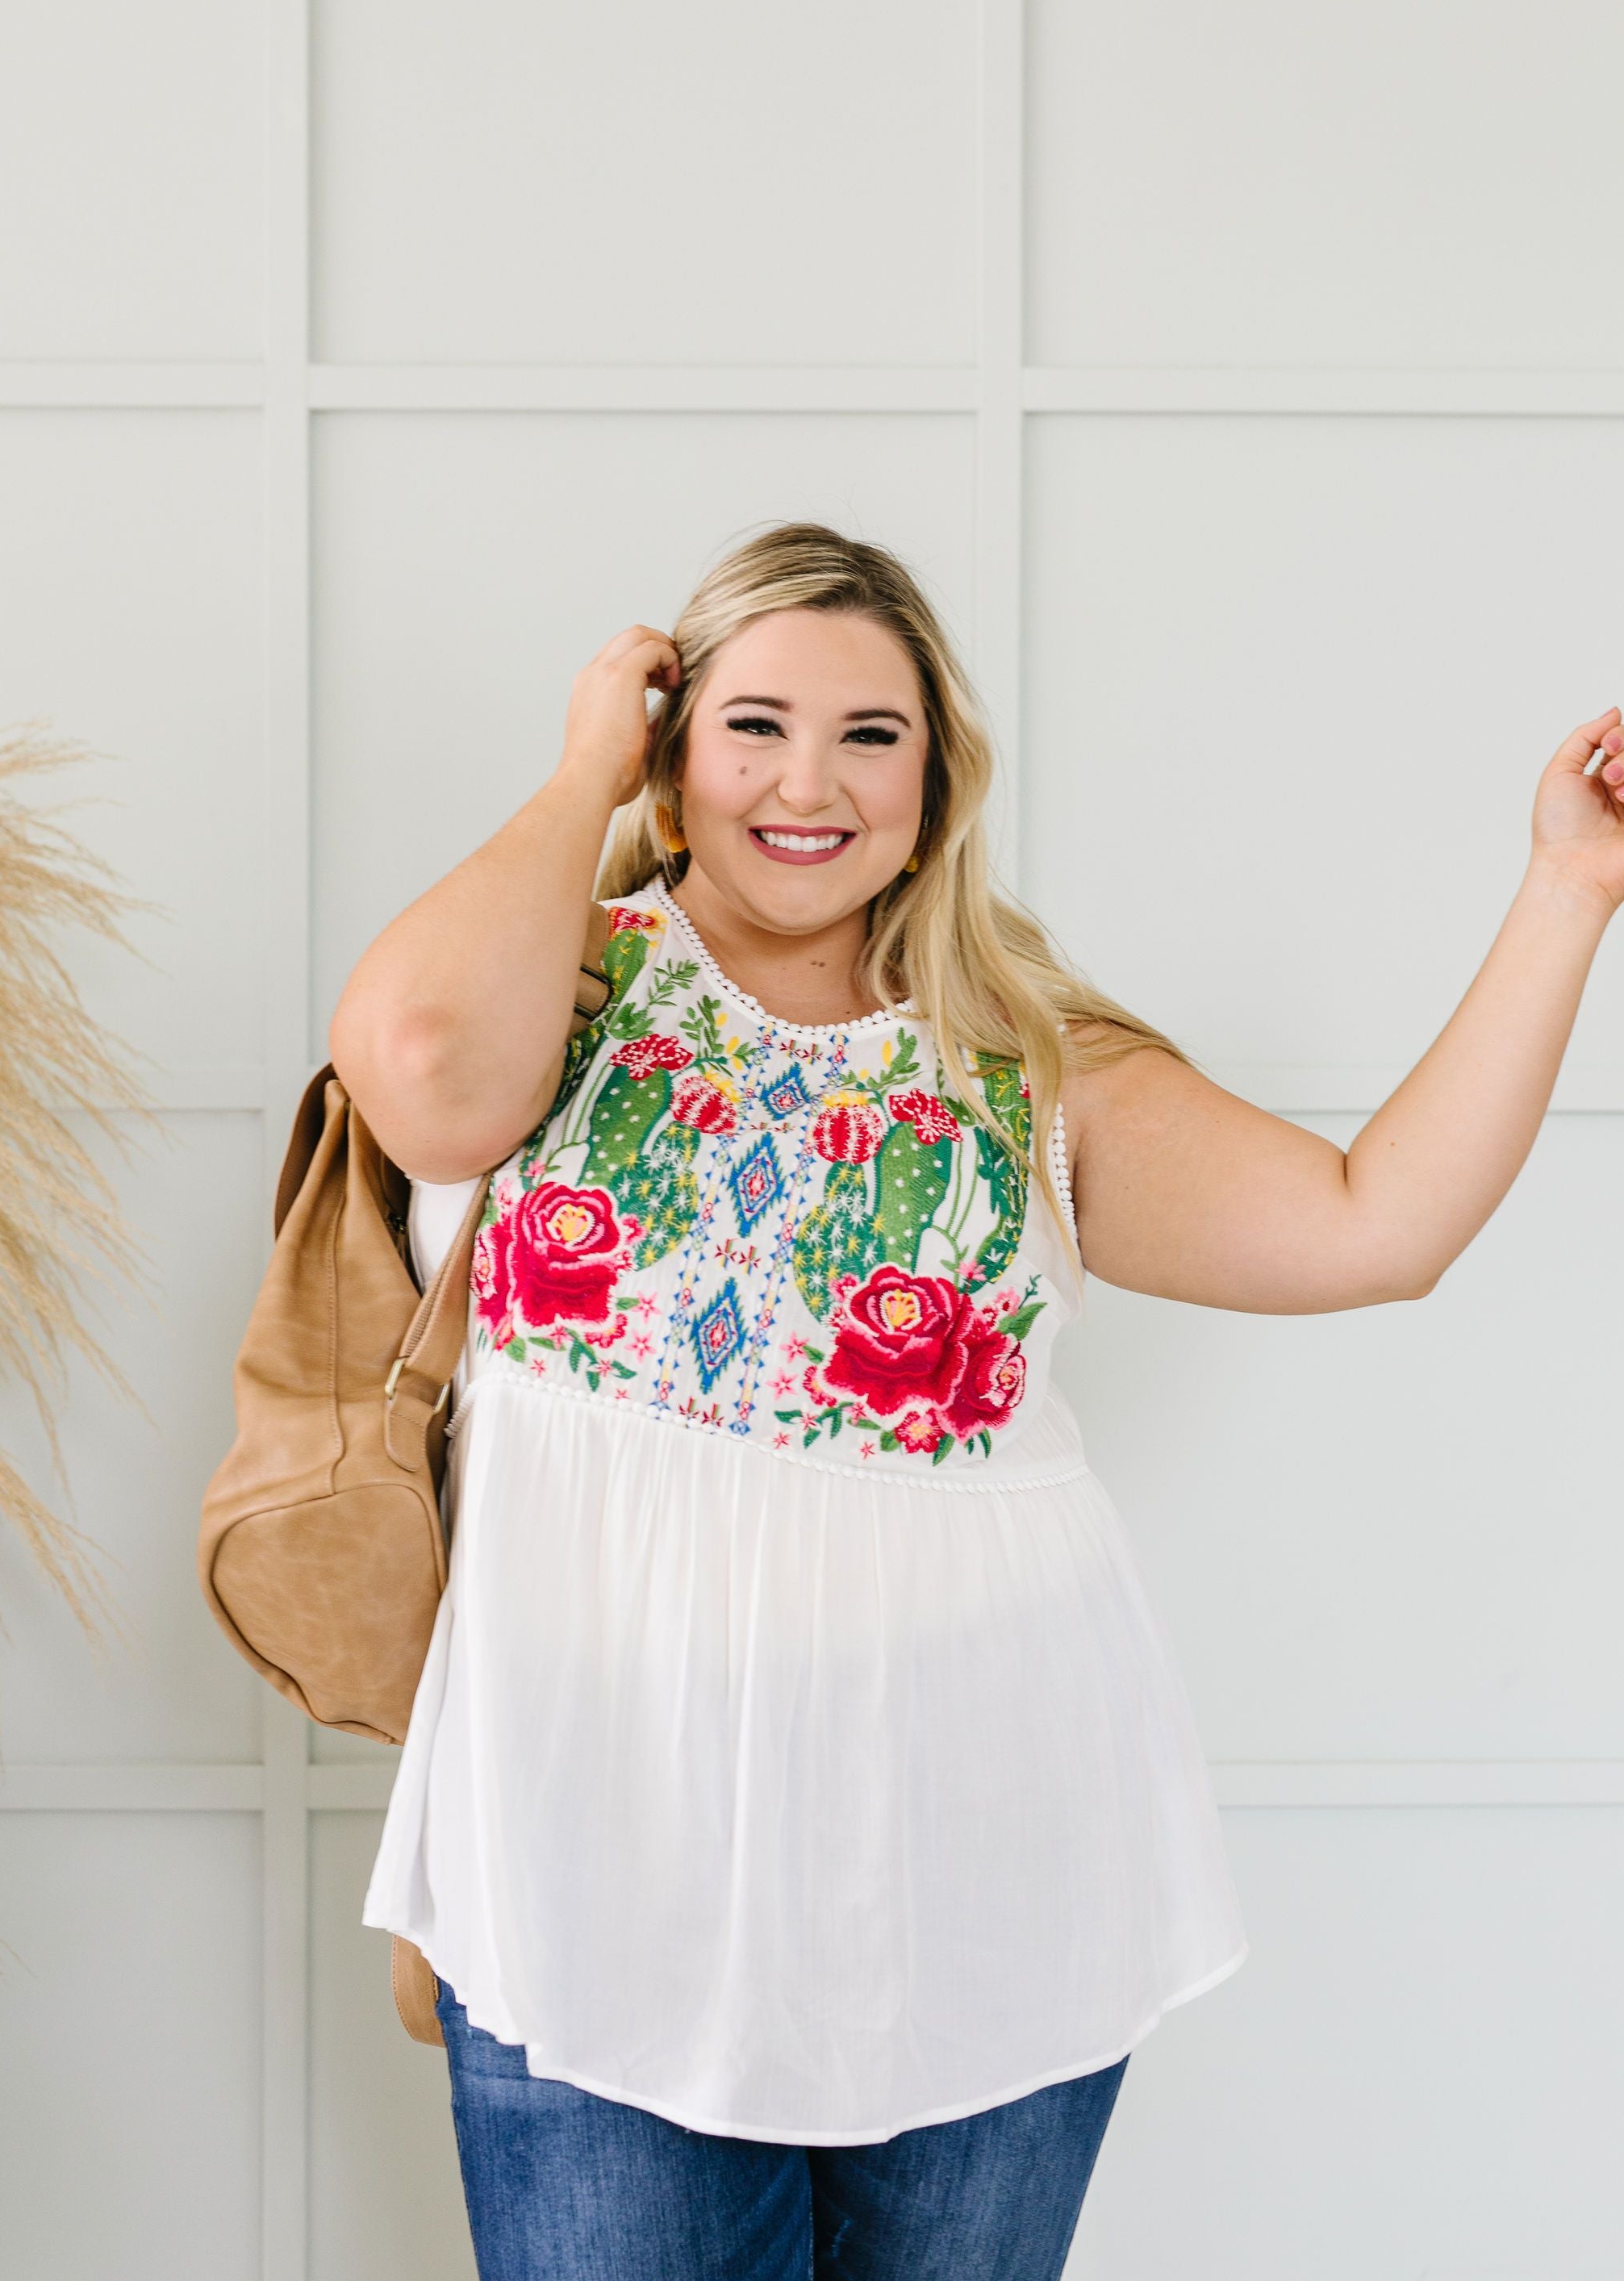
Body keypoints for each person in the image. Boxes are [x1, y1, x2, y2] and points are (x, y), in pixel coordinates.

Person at [329, 521, 1623, 2280]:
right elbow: (413, 1079)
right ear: (669, 746)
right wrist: (578, 773)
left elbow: (1368, 1227)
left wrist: (1568, 893)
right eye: (754, 724)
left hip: (984, 1878)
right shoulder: (562, 988)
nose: (811, 780)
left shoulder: (1022, 1059)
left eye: (873, 735)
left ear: (935, 785)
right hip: (592, 1874)